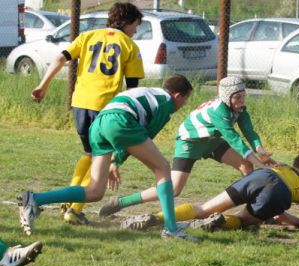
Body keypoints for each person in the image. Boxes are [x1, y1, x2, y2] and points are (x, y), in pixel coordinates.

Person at [18, 75, 194, 240]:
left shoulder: (151, 92)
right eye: (185, 100)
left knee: (95, 191)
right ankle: (172, 230)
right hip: (119, 121)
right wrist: (117, 160)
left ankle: (34, 199)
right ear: (177, 95)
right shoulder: (166, 103)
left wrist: (116, 160)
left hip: (99, 124)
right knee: (162, 167)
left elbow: (134, 135)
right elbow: (145, 134)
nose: (183, 104)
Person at [31, 2, 145, 226]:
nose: (136, 30)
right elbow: (132, 88)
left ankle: (69, 201)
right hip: (106, 109)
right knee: (99, 159)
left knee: (88, 154)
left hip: (80, 104)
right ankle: (74, 209)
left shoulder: (88, 36)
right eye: (136, 25)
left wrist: (43, 85)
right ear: (129, 22)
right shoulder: (129, 45)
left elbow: (59, 58)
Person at [97, 76, 275, 217]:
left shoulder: (240, 108)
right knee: (173, 189)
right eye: (237, 96)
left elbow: (249, 132)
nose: (241, 100)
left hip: (211, 140)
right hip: (189, 141)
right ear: (227, 97)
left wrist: (261, 151)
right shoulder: (218, 111)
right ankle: (120, 202)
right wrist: (262, 166)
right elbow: (234, 139)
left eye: (243, 95)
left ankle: (259, 209)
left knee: (246, 166)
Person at [121, 152, 299, 231]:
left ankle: (156, 217)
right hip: (279, 193)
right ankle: (218, 222)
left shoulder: (281, 166)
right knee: (245, 221)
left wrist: (291, 220)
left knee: (203, 207)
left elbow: (278, 215)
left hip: (260, 176)